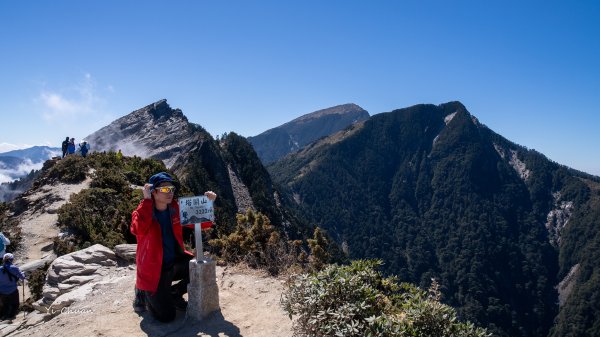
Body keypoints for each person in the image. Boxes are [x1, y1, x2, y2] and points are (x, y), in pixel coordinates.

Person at [130, 172, 217, 322]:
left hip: (174, 262)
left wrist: (208, 204)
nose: (169, 192)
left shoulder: (176, 208)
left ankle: (175, 292)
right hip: (154, 269)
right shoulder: (143, 211)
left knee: (197, 268)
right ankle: (142, 292)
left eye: (171, 189)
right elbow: (137, 230)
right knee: (166, 317)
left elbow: (202, 224)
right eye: (164, 189)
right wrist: (146, 201)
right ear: (153, 192)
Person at [0, 253, 25, 321]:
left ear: (3, 260)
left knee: (5, 304)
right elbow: (22, 278)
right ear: (12, 260)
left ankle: (4, 316)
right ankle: (11, 317)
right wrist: (22, 273)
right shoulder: (14, 268)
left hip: (2, 291)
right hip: (12, 290)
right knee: (15, 304)